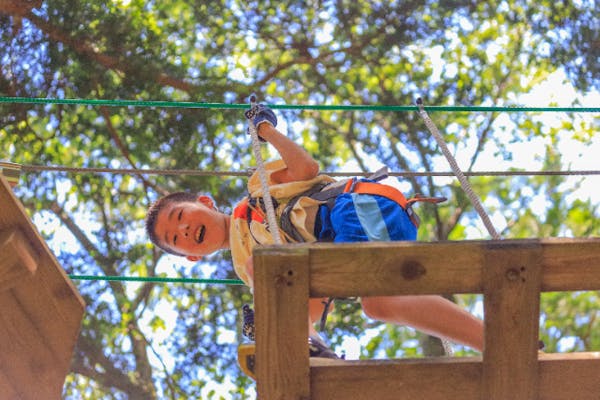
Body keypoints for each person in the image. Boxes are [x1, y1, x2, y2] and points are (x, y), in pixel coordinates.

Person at [145, 105, 484, 358]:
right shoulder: (245, 264)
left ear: (204, 202)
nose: (185, 229)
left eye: (180, 216)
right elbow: (316, 299)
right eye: (176, 237)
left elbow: (306, 168)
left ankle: (305, 343)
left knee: (267, 271)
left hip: (355, 212)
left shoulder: (258, 192)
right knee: (378, 304)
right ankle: (494, 340)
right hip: (346, 251)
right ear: (192, 255)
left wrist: (265, 130)